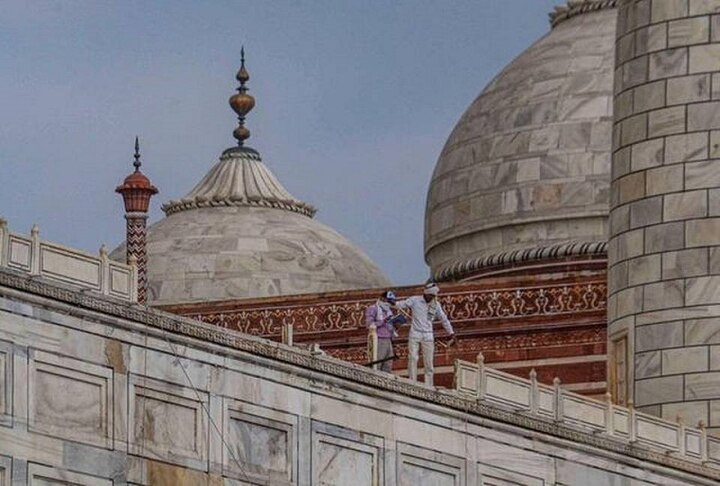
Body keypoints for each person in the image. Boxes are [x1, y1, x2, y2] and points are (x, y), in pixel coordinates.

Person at [394, 282, 456, 386]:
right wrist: (392, 303)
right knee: (413, 358)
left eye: (434, 296)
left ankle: (429, 385)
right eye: (431, 295)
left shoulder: (436, 305)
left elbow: (444, 319)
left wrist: (451, 333)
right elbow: (402, 304)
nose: (432, 297)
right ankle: (412, 382)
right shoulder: (415, 300)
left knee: (429, 362)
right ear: (426, 293)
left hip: (428, 335)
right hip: (415, 334)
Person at [365, 290, 404, 372]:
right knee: (377, 364)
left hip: (388, 340)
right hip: (379, 339)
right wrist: (383, 321)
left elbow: (390, 326)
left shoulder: (388, 311)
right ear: (382, 298)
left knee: (388, 365)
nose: (388, 304)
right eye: (388, 301)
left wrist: (396, 326)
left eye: (390, 302)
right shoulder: (373, 309)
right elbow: (369, 325)